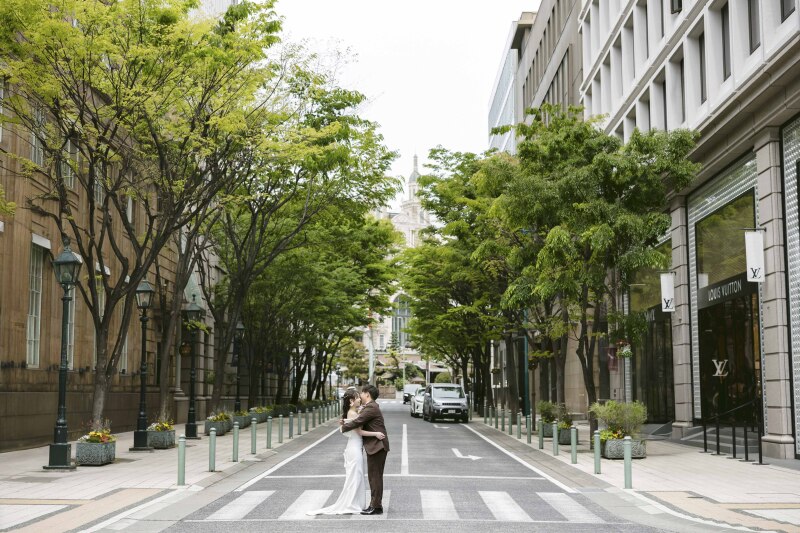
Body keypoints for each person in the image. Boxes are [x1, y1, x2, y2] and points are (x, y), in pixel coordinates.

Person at [306, 390, 385, 515]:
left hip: (356, 446)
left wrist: (345, 422)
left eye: (360, 396)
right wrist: (375, 433)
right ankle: (352, 504)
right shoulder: (354, 413)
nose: (360, 399)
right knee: (355, 476)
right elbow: (358, 431)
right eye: (357, 397)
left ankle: (356, 503)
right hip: (354, 448)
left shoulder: (359, 411)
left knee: (356, 476)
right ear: (351, 401)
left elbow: (359, 421)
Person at [340, 384, 390, 515]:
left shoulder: (371, 408)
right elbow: (358, 418)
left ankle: (376, 506)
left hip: (377, 446)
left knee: (375, 477)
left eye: (362, 393)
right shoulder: (370, 407)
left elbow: (357, 422)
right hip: (375, 446)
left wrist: (343, 426)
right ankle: (375, 505)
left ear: (367, 394)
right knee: (374, 477)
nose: (360, 395)